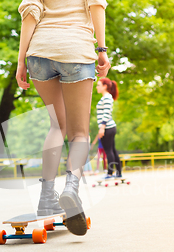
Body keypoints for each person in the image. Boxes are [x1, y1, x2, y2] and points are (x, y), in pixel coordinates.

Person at [16, 0, 110, 236]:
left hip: (39, 53)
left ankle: (46, 197)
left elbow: (30, 13)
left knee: (57, 125)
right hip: (75, 49)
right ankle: (71, 188)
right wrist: (102, 51)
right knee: (79, 132)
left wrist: (21, 61)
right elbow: (97, 6)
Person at [95, 78, 122, 179]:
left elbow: (106, 113)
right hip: (109, 127)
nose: (97, 87)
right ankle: (118, 173)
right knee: (112, 150)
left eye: (98, 85)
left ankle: (110, 173)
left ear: (105, 86)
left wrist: (102, 128)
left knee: (108, 151)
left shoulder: (106, 97)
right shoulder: (106, 97)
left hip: (107, 128)